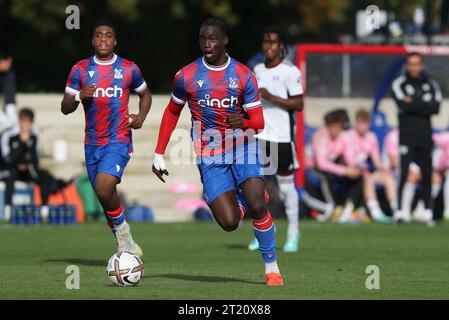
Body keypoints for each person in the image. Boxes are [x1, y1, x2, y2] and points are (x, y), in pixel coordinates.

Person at [152, 18, 283, 286]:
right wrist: (158, 153)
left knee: (259, 204)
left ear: (225, 41)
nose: (207, 44)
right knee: (229, 223)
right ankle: (245, 198)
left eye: (213, 39)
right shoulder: (186, 76)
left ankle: (272, 268)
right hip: (209, 154)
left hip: (242, 146)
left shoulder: (244, 75)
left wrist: (243, 122)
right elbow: (171, 112)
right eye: (203, 39)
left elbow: (257, 123)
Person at [61, 21, 152, 256]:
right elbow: (65, 107)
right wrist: (79, 96)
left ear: (115, 41)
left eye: (108, 36)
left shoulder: (129, 68)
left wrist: (140, 116)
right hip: (92, 143)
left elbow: (145, 94)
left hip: (118, 138)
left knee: (103, 188)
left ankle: (123, 238)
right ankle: (126, 241)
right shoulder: (79, 69)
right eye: (99, 35)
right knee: (105, 196)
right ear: (93, 41)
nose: (103, 39)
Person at [248, 27, 304, 252]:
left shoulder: (290, 71)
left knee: (286, 186)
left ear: (281, 46)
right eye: (265, 42)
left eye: (273, 42)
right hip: (259, 135)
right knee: (254, 186)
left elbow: (298, 104)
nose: (268, 46)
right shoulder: (257, 69)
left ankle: (293, 231)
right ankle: (264, 229)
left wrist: (271, 96)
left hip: (281, 137)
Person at [391, 52, 441, 225]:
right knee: (404, 173)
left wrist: (413, 103)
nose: (414, 67)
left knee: (427, 174)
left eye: (417, 63)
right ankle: (399, 211)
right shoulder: (399, 83)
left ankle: (427, 211)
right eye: (410, 64)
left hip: (425, 135)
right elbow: (402, 104)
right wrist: (423, 104)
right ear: (407, 65)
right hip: (407, 136)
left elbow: (436, 108)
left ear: (422, 65)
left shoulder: (431, 83)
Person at [1, 108, 54, 219]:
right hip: (9, 169)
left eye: (28, 122)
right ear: (19, 121)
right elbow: (8, 159)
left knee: (44, 176)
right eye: (23, 121)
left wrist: (28, 162)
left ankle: (44, 209)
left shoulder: (34, 135)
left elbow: (35, 158)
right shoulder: (8, 134)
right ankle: (8, 209)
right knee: (11, 174)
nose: (26, 124)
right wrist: (21, 142)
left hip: (27, 169)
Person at [346, 109, 395, 223]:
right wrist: (362, 170)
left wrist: (385, 169)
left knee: (387, 177)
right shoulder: (349, 136)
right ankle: (376, 212)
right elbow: (350, 161)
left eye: (366, 123)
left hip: (367, 171)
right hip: (352, 171)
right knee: (368, 178)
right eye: (361, 123)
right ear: (356, 123)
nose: (364, 126)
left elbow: (376, 160)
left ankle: (395, 210)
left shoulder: (371, 137)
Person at [313, 112, 363, 223]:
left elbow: (350, 158)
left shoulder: (345, 137)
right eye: (332, 127)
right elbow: (322, 164)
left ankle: (349, 207)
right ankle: (333, 207)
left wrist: (352, 169)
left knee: (358, 176)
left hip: (338, 169)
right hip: (323, 171)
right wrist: (344, 171)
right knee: (326, 177)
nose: (335, 130)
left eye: (337, 127)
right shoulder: (322, 137)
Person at [0, 53, 18, 131]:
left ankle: (10, 112)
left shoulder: (8, 74)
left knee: (10, 75)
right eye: (7, 61)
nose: (9, 64)